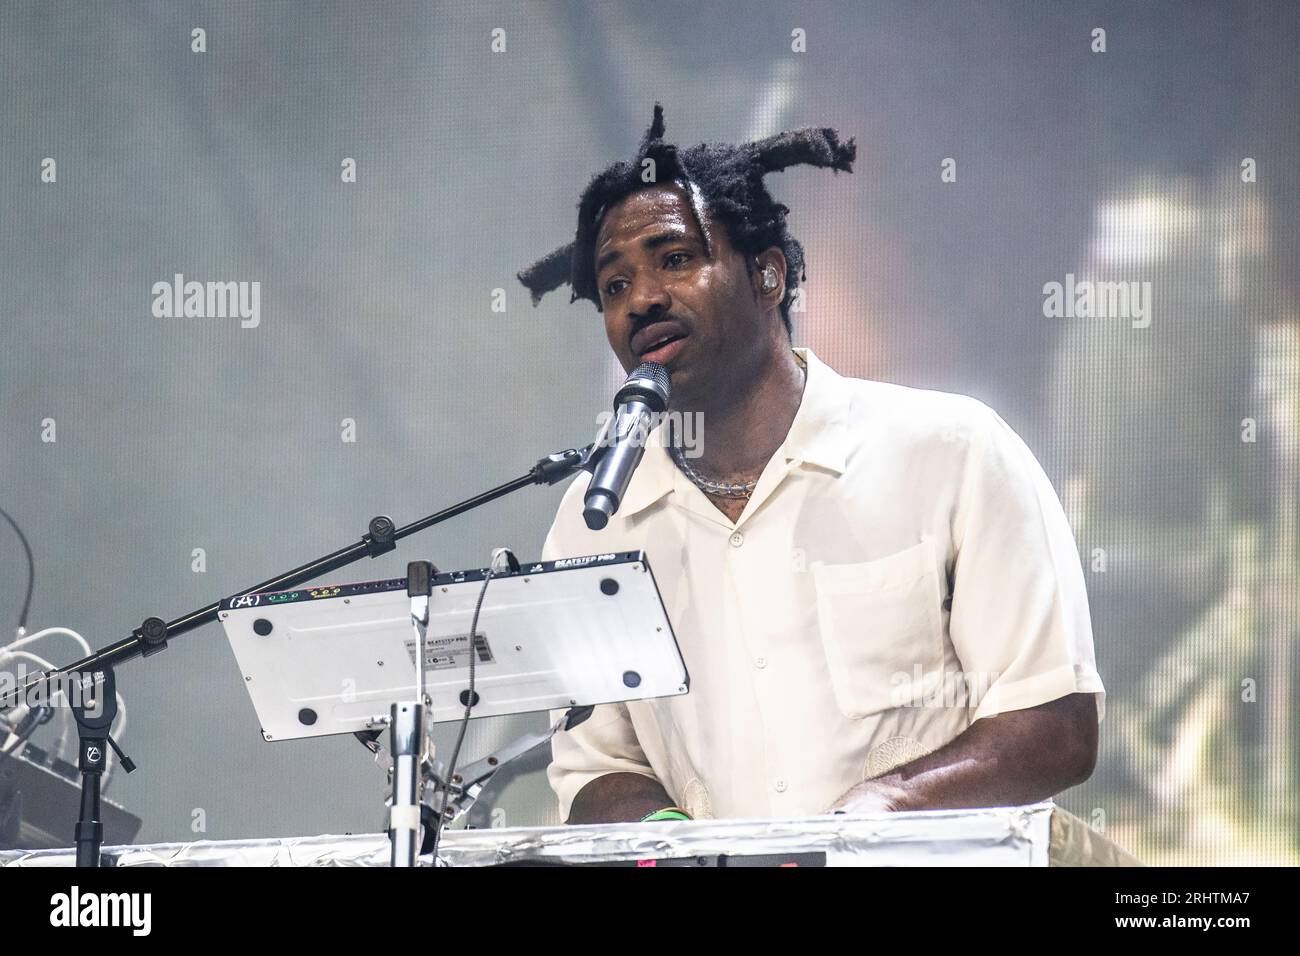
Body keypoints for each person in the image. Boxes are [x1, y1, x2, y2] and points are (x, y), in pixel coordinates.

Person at [517, 103, 1104, 824]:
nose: (642, 299)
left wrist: (886, 805)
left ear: (768, 276)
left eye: (675, 259)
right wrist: (680, 846)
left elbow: (1055, 726)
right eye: (614, 286)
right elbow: (595, 772)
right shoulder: (593, 520)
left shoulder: (951, 452)